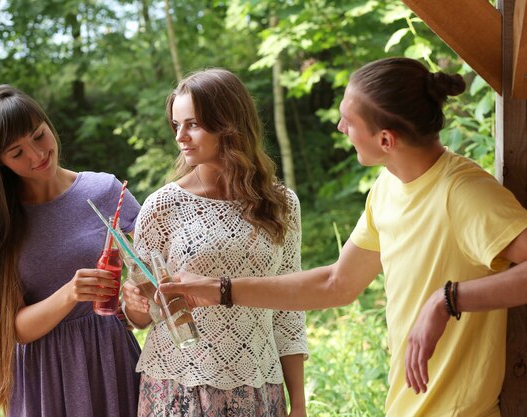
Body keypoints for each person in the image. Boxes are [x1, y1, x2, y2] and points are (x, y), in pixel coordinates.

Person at [158, 58, 527, 417]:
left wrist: (447, 299)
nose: (338, 128)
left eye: (348, 121)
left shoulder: (464, 193)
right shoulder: (389, 186)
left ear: (385, 139)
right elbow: (336, 283)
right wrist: (220, 290)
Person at [122, 68, 308, 417]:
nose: (180, 136)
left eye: (192, 124)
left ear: (228, 123)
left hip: (257, 384)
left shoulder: (282, 204)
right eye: (176, 125)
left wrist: (297, 401)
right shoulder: (162, 206)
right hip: (179, 386)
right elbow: (143, 316)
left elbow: (288, 309)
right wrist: (134, 299)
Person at [0, 85, 141, 417]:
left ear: (48, 124)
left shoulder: (106, 191)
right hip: (44, 377)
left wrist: (137, 296)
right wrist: (71, 294)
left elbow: (154, 265)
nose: (37, 155)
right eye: (16, 153)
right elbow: (14, 329)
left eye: (39, 136)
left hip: (111, 358)